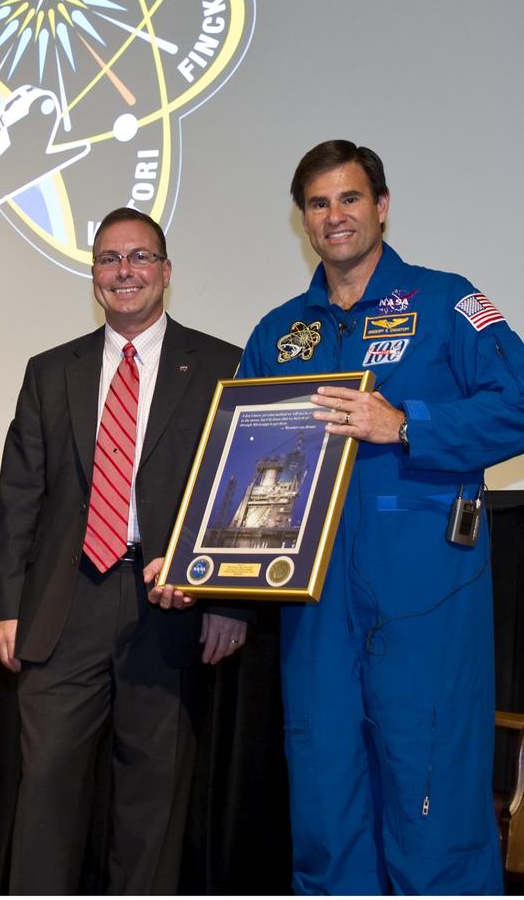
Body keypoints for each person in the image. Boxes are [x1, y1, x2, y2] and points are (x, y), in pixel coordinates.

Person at [236, 139, 524, 895]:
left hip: (423, 594)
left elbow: (517, 404)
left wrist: (405, 423)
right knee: (327, 802)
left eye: (350, 198)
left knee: (431, 800)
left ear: (382, 206)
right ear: (302, 220)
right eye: (318, 203)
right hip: (315, 600)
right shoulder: (277, 333)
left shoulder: (445, 301)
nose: (335, 216)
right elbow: (235, 466)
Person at [0, 207, 247, 894]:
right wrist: (6, 608)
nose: (123, 271)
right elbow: (20, 498)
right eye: (109, 259)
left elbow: (236, 494)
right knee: (44, 789)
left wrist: (226, 600)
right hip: (61, 603)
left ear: (165, 272)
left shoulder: (221, 365)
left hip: (170, 602)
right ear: (94, 275)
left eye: (139, 258)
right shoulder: (51, 371)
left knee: (152, 798)